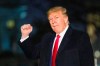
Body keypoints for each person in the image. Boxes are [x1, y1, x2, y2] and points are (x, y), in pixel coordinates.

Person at [18, 6, 94, 66]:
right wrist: (25, 35)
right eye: (50, 19)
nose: (53, 21)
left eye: (56, 17)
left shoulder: (79, 37)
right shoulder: (47, 39)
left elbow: (87, 63)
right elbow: (32, 54)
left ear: (65, 19)